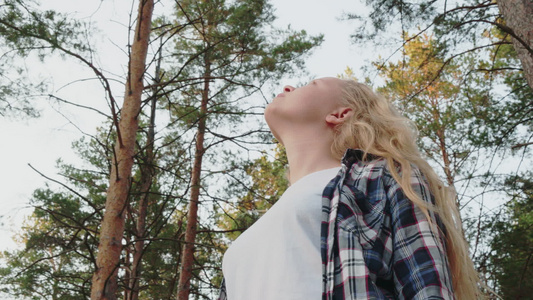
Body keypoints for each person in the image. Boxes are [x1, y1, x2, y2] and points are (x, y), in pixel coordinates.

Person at [218, 77, 480, 299]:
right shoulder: (260, 228)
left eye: (312, 83)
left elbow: (426, 287)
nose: (287, 87)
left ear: (340, 114)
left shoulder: (382, 176)